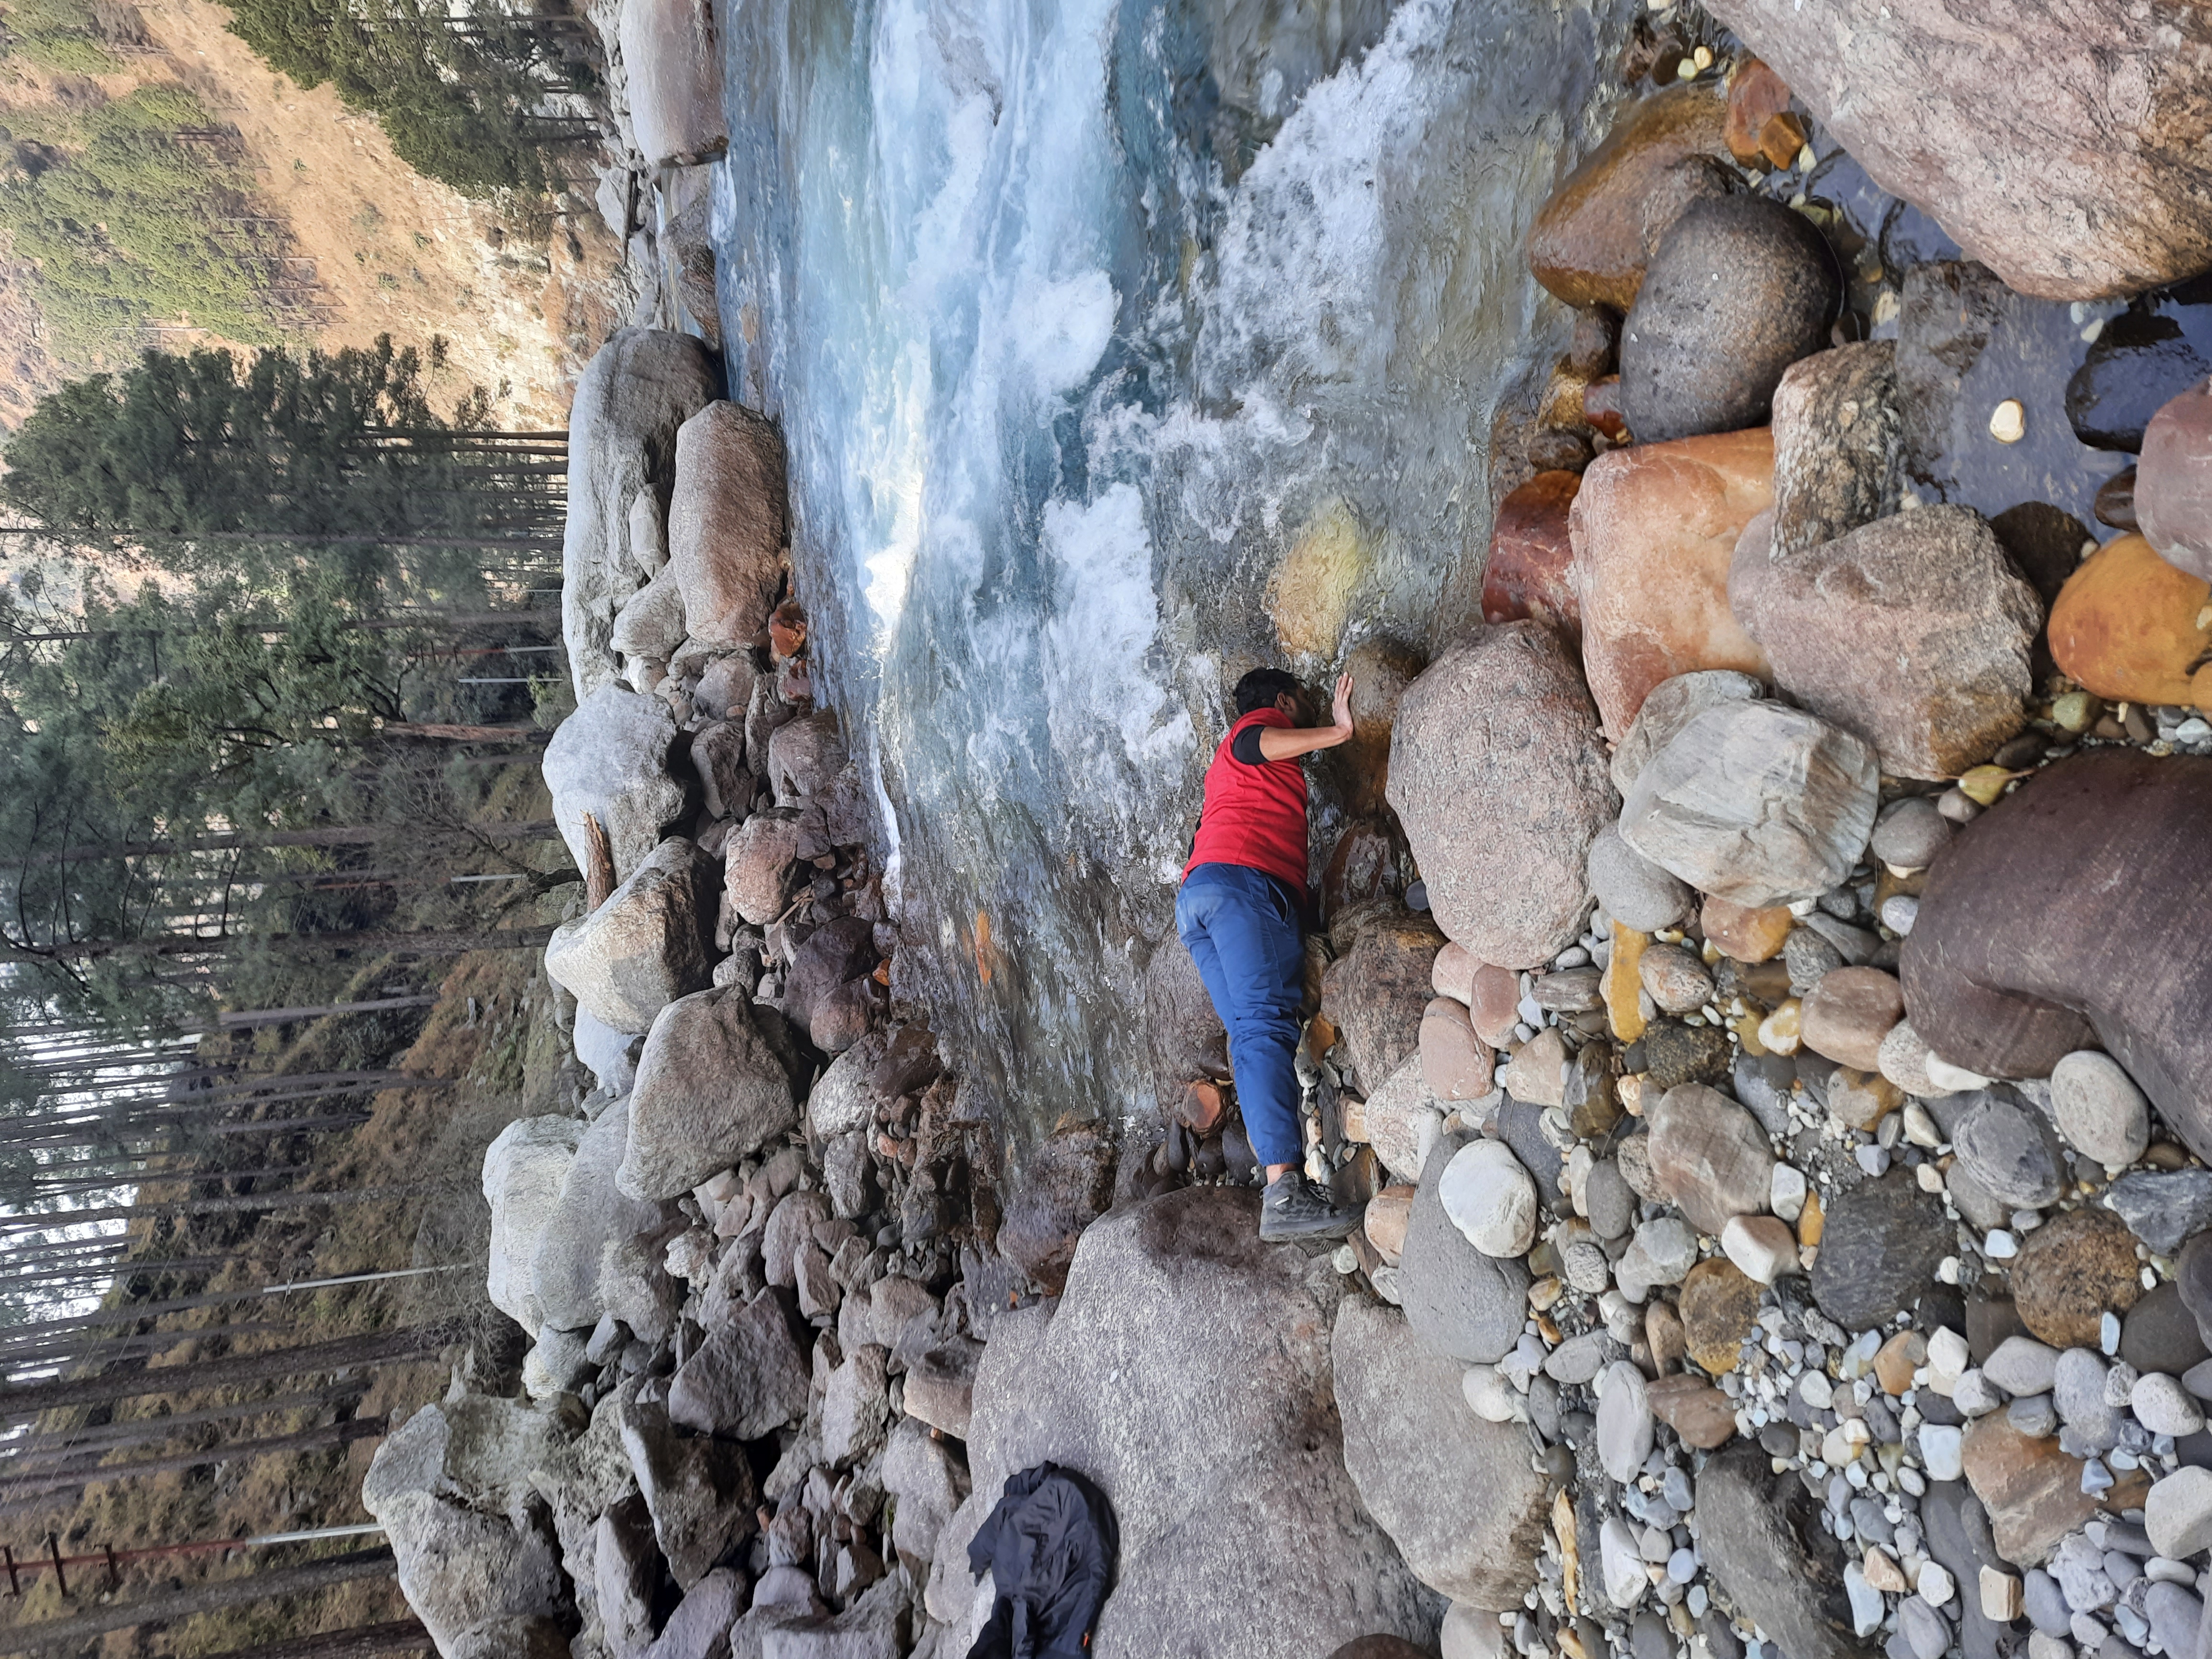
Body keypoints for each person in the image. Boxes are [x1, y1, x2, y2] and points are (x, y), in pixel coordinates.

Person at [1176, 665, 1360, 1241]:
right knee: (1262, 1028)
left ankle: (1282, 1181)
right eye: (1301, 697)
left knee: (1250, 1035)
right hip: (1241, 889)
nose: (1304, 704)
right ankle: (1284, 1190)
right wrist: (1336, 732)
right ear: (1283, 699)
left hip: (1198, 899)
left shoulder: (1220, 767)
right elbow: (1263, 740)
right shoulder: (1255, 729)